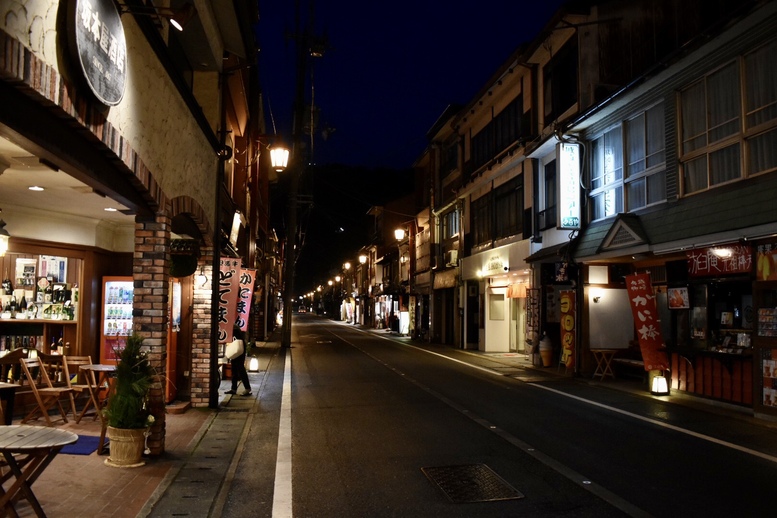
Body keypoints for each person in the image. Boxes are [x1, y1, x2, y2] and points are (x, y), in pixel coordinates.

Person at [225, 325, 252, 396]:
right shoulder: (236, 328)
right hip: (238, 349)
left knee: (240, 369)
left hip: (238, 349)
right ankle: (234, 388)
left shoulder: (234, 328)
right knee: (235, 369)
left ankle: (247, 388)